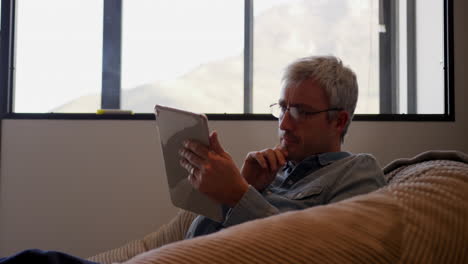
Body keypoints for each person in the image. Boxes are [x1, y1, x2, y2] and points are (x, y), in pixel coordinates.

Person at [178, 55, 386, 238]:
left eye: (300, 112)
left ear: (339, 121)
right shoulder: (267, 172)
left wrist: (240, 195)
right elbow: (193, 242)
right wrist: (244, 185)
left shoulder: (357, 171)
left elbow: (331, 252)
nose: (284, 124)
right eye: (283, 108)